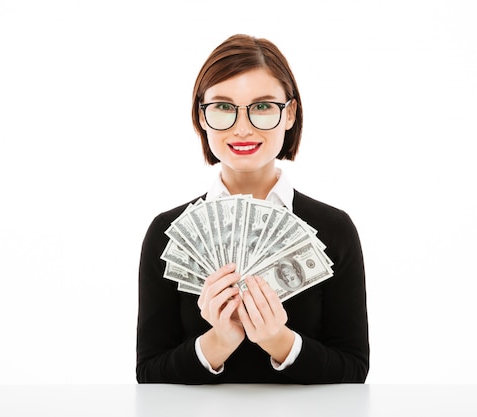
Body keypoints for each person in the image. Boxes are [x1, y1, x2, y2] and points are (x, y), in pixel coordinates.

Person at [136, 34, 369, 384]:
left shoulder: (334, 229)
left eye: (262, 106)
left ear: (289, 113)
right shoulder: (167, 234)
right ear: (201, 116)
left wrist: (279, 341)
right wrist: (218, 341)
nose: (242, 128)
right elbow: (149, 374)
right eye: (223, 107)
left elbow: (353, 370)